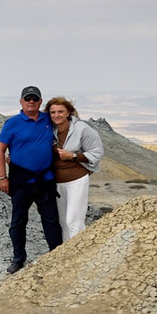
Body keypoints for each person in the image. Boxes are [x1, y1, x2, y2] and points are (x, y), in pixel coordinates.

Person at [0, 85, 62, 271]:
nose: (31, 101)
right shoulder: (13, 123)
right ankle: (18, 258)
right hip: (21, 181)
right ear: (21, 102)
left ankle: (57, 254)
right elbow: (0, 151)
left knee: (51, 220)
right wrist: (2, 177)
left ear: (40, 102)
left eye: (35, 98)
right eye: (27, 98)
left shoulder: (49, 120)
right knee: (18, 221)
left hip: (45, 180)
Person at [49, 96, 103, 237]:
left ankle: (79, 255)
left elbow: (97, 152)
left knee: (74, 221)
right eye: (53, 112)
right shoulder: (49, 129)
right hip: (57, 181)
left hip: (76, 180)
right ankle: (66, 254)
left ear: (68, 112)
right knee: (62, 221)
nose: (56, 115)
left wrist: (73, 156)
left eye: (60, 111)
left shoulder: (82, 129)